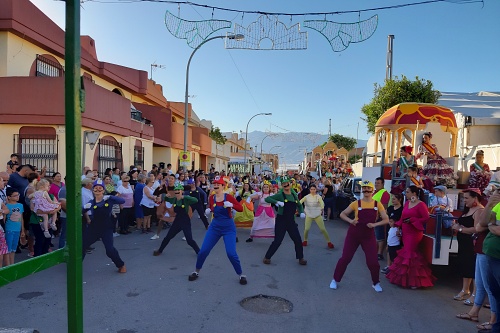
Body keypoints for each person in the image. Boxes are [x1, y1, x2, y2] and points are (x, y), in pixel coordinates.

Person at [330, 180, 389, 292]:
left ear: (372, 190)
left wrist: (375, 224)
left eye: (368, 188)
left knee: (373, 261)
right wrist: (350, 221)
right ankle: (335, 280)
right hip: (354, 234)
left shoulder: (377, 204)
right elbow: (342, 214)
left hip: (368, 235)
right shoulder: (356, 203)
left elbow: (386, 219)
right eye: (364, 188)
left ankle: (376, 282)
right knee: (345, 258)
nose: (366, 190)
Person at [188, 176, 247, 285]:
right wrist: (209, 209)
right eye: (214, 184)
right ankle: (196, 271)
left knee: (231, 253)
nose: (215, 186)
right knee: (203, 251)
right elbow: (211, 207)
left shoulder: (228, 197)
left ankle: (241, 274)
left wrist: (232, 205)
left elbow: (241, 208)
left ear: (223, 186)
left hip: (228, 227)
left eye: (217, 184)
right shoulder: (212, 197)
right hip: (215, 227)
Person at [386, 186, 435, 289]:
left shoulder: (421, 204)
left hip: (414, 232)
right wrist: (397, 225)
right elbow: (403, 217)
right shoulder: (407, 203)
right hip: (405, 230)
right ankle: (407, 279)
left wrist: (413, 220)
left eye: (407, 192)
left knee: (409, 253)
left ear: (414, 193)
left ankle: (414, 281)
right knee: (407, 253)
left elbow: (426, 217)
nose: (405, 194)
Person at [82, 179, 126, 273]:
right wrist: (84, 208)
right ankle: (75, 266)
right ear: (93, 190)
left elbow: (122, 201)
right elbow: (81, 212)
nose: (98, 190)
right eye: (96, 188)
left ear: (103, 190)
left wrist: (111, 196)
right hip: (93, 229)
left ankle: (120, 265)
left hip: (106, 228)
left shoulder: (108, 199)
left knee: (109, 250)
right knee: (82, 246)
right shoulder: (91, 202)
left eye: (100, 188)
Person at [262, 176, 307, 266]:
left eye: (287, 183)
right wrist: (277, 202)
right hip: (281, 220)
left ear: (290, 184)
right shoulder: (280, 194)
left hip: (291, 221)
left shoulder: (294, 195)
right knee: (278, 240)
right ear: (282, 186)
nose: (286, 185)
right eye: (284, 184)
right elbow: (267, 199)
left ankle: (301, 258)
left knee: (297, 239)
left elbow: (299, 205)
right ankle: (267, 257)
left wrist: (302, 212)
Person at [452, 189, 484, 304]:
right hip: (463, 243)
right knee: (465, 266)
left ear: (474, 198)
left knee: (473, 268)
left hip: (472, 244)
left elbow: (477, 229)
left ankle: (475, 294)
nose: (464, 200)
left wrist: (460, 229)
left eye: (466, 198)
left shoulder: (479, 210)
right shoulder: (468, 209)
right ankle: (465, 290)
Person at [153, 183, 200, 256]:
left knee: (189, 240)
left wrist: (185, 197)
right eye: (176, 190)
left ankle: (199, 252)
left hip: (185, 221)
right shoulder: (174, 199)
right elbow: (165, 198)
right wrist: (166, 196)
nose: (177, 191)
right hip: (177, 221)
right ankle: (159, 250)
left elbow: (196, 200)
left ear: (182, 191)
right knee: (168, 237)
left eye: (179, 190)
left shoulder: (186, 199)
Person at [476, 188, 500, 333]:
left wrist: (492, 227)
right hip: (491, 253)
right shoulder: (497, 205)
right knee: (495, 291)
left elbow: (492, 228)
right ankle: (496, 327)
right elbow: (482, 224)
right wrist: (491, 203)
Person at [300, 184, 334, 248]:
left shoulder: (318, 197)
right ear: (309, 190)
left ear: (316, 190)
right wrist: (299, 209)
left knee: (323, 229)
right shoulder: (306, 197)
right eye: (311, 189)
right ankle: (305, 241)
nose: (313, 191)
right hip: (309, 215)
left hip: (317, 215)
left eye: (314, 189)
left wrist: (322, 208)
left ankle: (329, 242)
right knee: (306, 229)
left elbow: (322, 203)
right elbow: (300, 202)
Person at [381, 193, 404, 274]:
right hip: (389, 229)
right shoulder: (390, 208)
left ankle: (395, 266)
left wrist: (399, 229)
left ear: (400, 199)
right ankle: (388, 266)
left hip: (398, 231)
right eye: (392, 199)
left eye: (394, 199)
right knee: (389, 247)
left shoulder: (402, 210)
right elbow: (384, 214)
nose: (392, 201)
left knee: (396, 249)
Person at [4, 187, 25, 266]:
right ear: (9, 197)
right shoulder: (7, 206)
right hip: (9, 229)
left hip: (17, 229)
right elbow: (4, 219)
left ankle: (12, 264)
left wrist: (22, 230)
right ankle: (8, 265)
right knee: (8, 248)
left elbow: (21, 218)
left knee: (14, 248)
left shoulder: (20, 205)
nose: (17, 197)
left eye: (18, 195)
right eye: (15, 196)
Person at [373, 177, 390, 261]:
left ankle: (379, 254)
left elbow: (384, 207)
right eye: (375, 183)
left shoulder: (384, 193)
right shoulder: (375, 192)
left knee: (380, 236)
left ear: (383, 184)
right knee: (376, 236)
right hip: (373, 217)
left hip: (379, 218)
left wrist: (378, 216)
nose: (376, 184)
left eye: (378, 183)